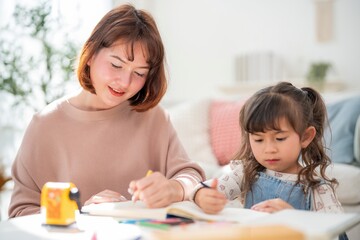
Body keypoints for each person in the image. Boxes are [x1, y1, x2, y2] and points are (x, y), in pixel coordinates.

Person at [8, 3, 205, 218]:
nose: (124, 81)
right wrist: (82, 213)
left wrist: (173, 188)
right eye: (116, 65)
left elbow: (190, 175)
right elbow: (21, 213)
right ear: (91, 54)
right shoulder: (45, 126)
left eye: (139, 73)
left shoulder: (153, 117)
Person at [191, 82, 348, 239]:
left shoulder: (317, 189)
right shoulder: (246, 173)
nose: (269, 149)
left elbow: (335, 234)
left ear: (305, 137)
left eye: (279, 138)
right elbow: (204, 188)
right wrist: (201, 195)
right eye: (259, 140)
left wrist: (294, 220)